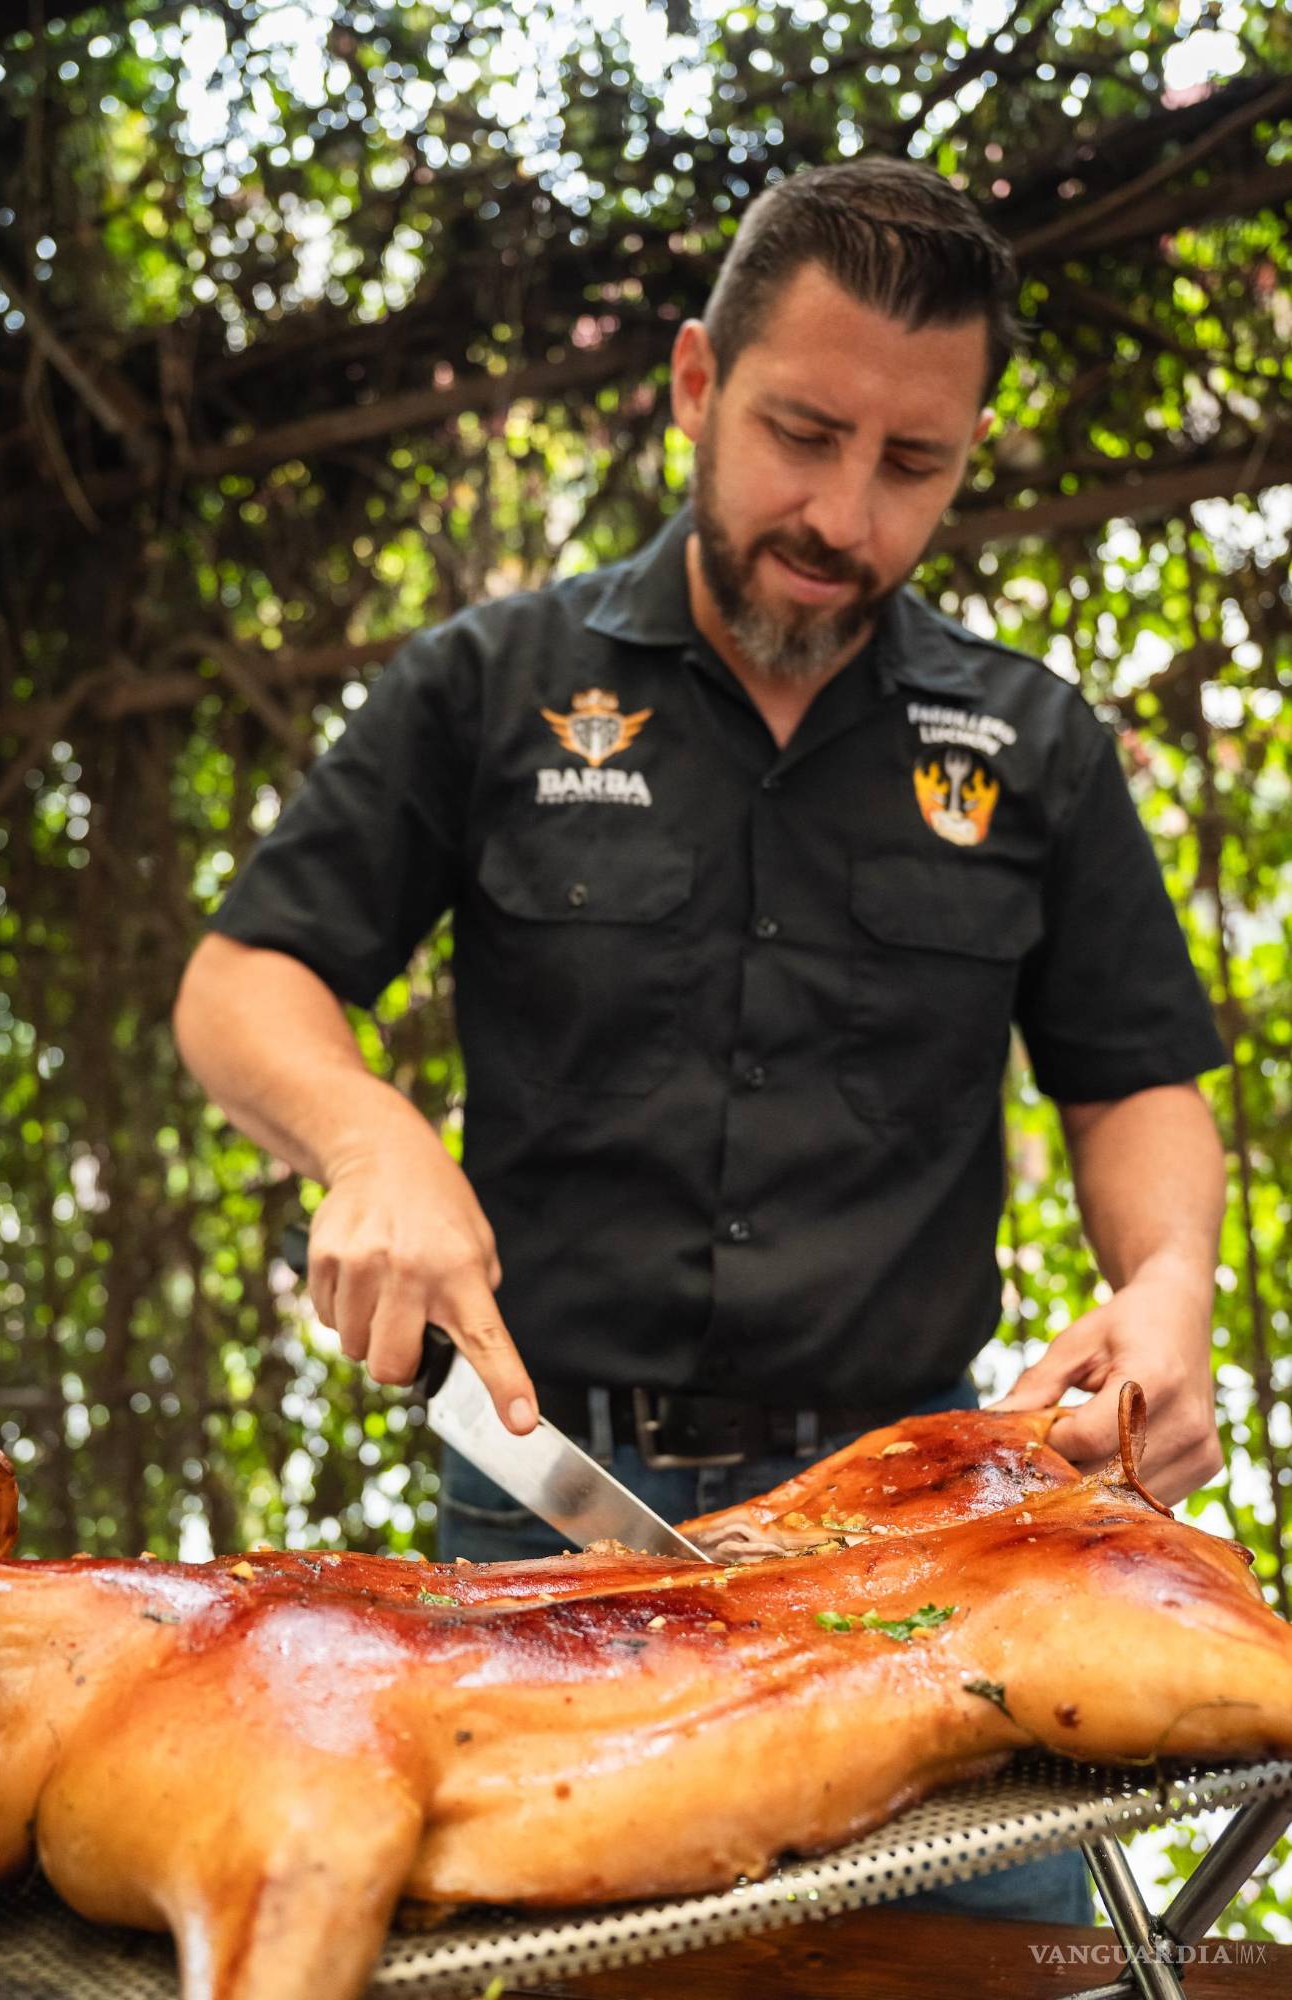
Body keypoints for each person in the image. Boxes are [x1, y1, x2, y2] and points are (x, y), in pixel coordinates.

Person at [173, 159, 1228, 1927]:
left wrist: (1170, 1278)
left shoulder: (1026, 743)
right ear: (691, 383)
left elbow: (1133, 1080)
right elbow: (242, 981)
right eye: (800, 433)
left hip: (911, 1519)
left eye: (915, 467)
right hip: (548, 1510)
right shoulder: (494, 683)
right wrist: (370, 1141)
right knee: (581, 1959)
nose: (843, 513)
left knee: (1008, 1956)